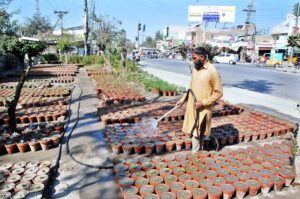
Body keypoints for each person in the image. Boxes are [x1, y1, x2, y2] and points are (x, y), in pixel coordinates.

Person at [176, 47, 223, 153]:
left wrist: (203, 103)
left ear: (202, 57)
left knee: (198, 132)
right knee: (194, 130)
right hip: (192, 106)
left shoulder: (212, 71)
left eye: (194, 58)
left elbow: (219, 92)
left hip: (203, 109)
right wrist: (183, 99)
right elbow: (191, 87)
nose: (193, 60)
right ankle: (198, 152)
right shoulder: (195, 69)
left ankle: (196, 153)